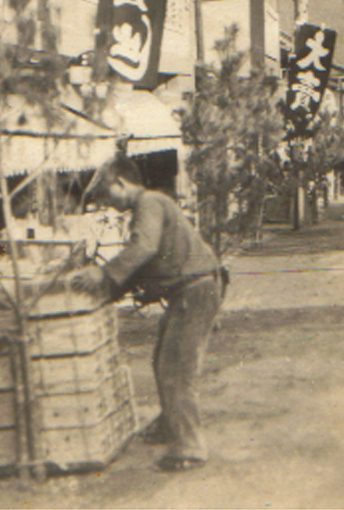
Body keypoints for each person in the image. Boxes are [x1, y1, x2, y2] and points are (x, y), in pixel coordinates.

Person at [68, 156, 223, 472]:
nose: (107, 204)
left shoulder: (149, 202)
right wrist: (109, 293)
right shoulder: (151, 205)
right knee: (162, 361)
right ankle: (170, 424)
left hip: (194, 292)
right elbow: (145, 264)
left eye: (106, 195)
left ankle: (190, 447)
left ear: (121, 183)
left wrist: (104, 274)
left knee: (176, 369)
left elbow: (143, 249)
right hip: (191, 290)